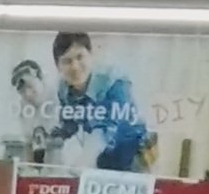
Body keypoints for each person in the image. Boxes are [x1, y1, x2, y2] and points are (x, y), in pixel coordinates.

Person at [50, 29, 159, 173]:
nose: (75, 67)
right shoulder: (64, 89)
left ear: (91, 55)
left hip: (136, 153)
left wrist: (82, 162)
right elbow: (69, 124)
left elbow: (105, 129)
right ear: (58, 67)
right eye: (67, 61)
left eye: (80, 57)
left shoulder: (114, 80)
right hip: (105, 157)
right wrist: (54, 143)